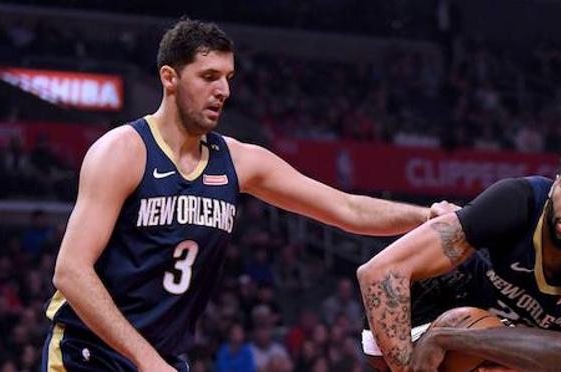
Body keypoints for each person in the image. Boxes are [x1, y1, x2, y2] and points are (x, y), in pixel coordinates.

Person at [41, 18, 455, 372]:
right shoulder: (123, 152)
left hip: (163, 358)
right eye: (208, 77)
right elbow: (71, 271)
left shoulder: (237, 160)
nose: (223, 90)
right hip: (88, 354)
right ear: (169, 78)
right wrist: (146, 361)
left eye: (228, 78)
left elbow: (344, 207)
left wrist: (426, 216)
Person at [357, 137, 561, 372]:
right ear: (554, 185)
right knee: (471, 321)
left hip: (502, 346)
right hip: (425, 321)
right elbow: (379, 272)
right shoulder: (518, 201)